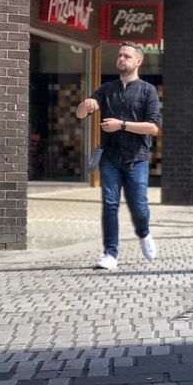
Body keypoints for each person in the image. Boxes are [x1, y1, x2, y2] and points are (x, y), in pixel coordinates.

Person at [75, 42, 161, 271]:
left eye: (127, 56)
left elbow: (153, 128)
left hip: (137, 158)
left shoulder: (147, 91)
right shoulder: (107, 89)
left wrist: (121, 125)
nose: (121, 59)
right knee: (110, 204)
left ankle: (144, 233)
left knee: (139, 206)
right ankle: (110, 253)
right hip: (110, 157)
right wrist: (86, 104)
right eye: (120, 55)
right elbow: (80, 113)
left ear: (138, 62)